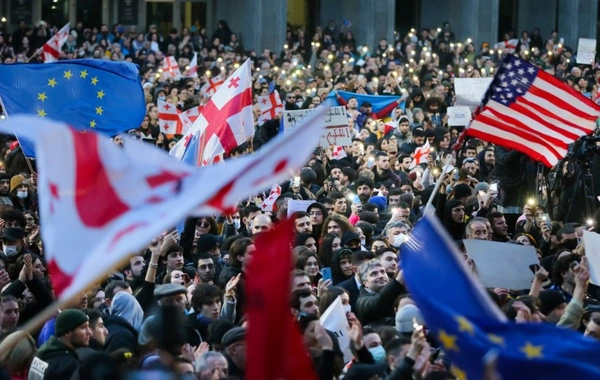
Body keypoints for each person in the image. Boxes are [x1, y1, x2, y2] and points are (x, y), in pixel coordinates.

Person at [29, 309, 91, 379]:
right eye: (83, 328)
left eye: (88, 327)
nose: (89, 332)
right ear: (67, 333)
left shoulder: (42, 353)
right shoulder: (70, 366)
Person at [355, 259, 406, 325]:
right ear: (365, 283)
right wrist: (398, 281)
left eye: (383, 272)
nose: (381, 276)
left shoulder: (398, 290)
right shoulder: (362, 301)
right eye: (374, 274)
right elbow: (377, 305)